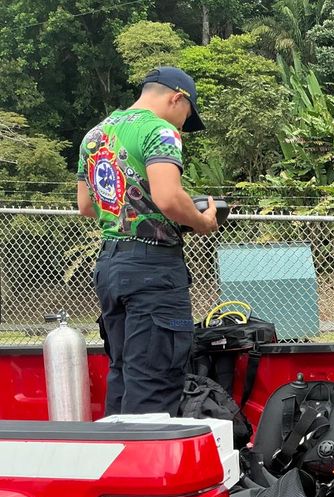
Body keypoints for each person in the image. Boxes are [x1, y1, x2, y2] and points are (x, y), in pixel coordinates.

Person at [77, 66, 218, 416]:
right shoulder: (161, 131)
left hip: (110, 265)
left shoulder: (95, 134)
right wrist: (201, 221)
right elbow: (170, 198)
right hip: (153, 270)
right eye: (186, 116)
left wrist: (136, 216)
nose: (184, 125)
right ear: (177, 97)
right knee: (154, 380)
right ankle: (144, 468)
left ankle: (115, 463)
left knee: (123, 372)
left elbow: (85, 206)